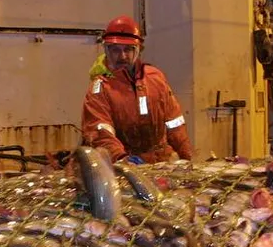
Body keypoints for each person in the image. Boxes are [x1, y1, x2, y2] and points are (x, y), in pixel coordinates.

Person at [81, 15, 193, 164]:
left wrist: (186, 156)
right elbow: (99, 132)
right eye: (115, 50)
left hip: (162, 162)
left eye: (128, 49)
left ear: (139, 49)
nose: (122, 56)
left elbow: (175, 122)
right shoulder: (100, 89)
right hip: (123, 165)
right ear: (106, 50)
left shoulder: (156, 77)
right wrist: (122, 159)